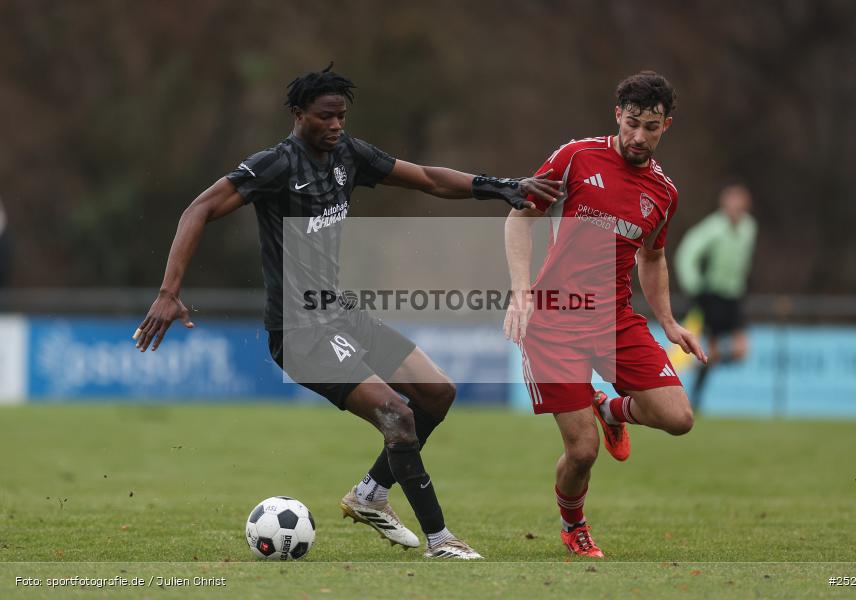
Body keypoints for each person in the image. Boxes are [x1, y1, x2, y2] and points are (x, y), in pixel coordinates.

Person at [133, 64, 562, 560]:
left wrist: (498, 185)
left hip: (338, 312)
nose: (336, 125)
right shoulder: (274, 165)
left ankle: (370, 494)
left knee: (438, 392)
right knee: (397, 415)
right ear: (299, 114)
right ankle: (441, 541)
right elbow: (198, 209)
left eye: (341, 116)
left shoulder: (349, 155)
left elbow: (427, 178)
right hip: (299, 332)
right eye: (326, 116)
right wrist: (168, 291)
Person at [503, 71, 707, 558]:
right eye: (632, 123)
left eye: (651, 127)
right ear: (618, 115)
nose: (639, 136)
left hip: (614, 318)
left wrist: (669, 320)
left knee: (679, 418)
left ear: (665, 126)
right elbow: (519, 219)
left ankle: (611, 409)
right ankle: (573, 525)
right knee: (583, 451)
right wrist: (521, 291)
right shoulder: (575, 158)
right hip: (553, 321)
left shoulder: (663, 193)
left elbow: (652, 257)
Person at [674, 184, 756, 411]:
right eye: (732, 203)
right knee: (711, 352)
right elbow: (687, 252)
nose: (735, 208)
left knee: (740, 351)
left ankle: (700, 369)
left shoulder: (750, 227)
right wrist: (694, 285)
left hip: (735, 296)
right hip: (712, 296)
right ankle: (696, 399)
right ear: (724, 204)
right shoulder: (713, 228)